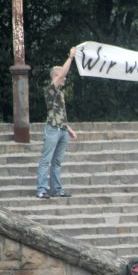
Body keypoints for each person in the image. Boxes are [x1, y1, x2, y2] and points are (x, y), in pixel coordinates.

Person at [36, 46, 78, 199]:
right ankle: (41, 189)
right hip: (52, 129)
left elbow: (60, 114)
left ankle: (57, 189)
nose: (65, 79)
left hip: (62, 129)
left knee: (57, 162)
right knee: (46, 160)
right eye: (62, 76)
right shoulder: (50, 89)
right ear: (55, 76)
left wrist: (69, 129)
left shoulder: (60, 93)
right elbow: (62, 75)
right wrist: (71, 57)